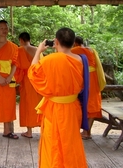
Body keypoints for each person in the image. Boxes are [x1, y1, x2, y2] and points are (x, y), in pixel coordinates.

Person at [28, 27, 88, 168]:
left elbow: (32, 73)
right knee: (71, 143)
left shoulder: (50, 59)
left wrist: (38, 51)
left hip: (54, 109)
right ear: (73, 43)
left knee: (53, 144)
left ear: (55, 41)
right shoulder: (80, 60)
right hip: (73, 108)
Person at [72, 36, 104, 139]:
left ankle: (86, 132)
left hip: (85, 78)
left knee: (84, 104)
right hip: (94, 79)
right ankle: (87, 131)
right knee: (92, 105)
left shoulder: (75, 50)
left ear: (75, 43)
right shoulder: (91, 50)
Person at [15, 32, 42, 138]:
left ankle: (29, 131)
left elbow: (17, 67)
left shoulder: (20, 50)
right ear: (29, 39)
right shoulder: (37, 50)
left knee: (27, 104)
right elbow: (41, 66)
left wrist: (17, 79)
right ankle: (42, 129)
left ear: (21, 40)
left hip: (26, 80)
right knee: (39, 103)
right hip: (37, 80)